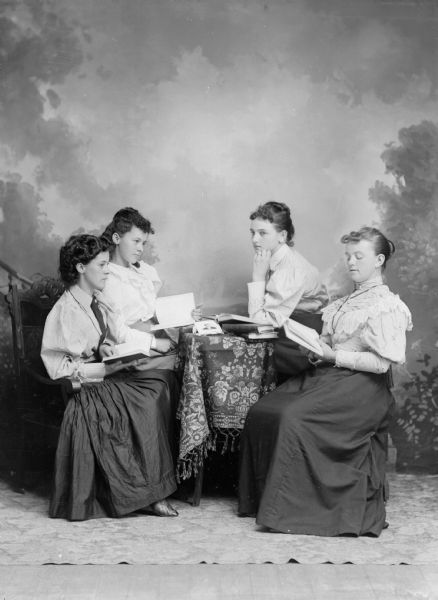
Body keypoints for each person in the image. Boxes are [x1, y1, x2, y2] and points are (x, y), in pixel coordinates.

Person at [238, 226, 412, 537]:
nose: (351, 262)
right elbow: (328, 344)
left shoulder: (387, 306)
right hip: (330, 376)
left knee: (293, 417)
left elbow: (382, 362)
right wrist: (318, 352)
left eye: (359, 256)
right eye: (348, 256)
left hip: (365, 388)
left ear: (379, 260)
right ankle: (264, 500)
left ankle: (291, 510)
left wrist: (334, 357)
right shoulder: (345, 302)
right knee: (264, 410)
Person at [41, 234, 179, 520]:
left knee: (158, 385)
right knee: (145, 402)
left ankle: (150, 490)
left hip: (105, 375)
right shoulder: (64, 310)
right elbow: (59, 368)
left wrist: (106, 348)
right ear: (81, 268)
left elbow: (100, 338)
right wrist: (104, 368)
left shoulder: (98, 299)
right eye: (102, 265)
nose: (107, 271)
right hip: (85, 387)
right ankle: (146, 494)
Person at [100, 207, 200, 370]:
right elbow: (117, 332)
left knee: (195, 350)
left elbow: (151, 311)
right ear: (117, 238)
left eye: (143, 243)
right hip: (133, 349)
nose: (140, 248)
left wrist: (185, 314)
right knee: (189, 361)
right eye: (136, 241)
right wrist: (154, 342)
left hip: (153, 339)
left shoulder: (141, 272)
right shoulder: (109, 278)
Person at [248, 201, 328, 376]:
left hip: (301, 342)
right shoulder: (271, 257)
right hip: (286, 327)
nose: (255, 239)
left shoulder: (290, 269)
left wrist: (258, 277)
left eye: (262, 233)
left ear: (282, 236)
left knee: (244, 355)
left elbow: (259, 321)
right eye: (252, 233)